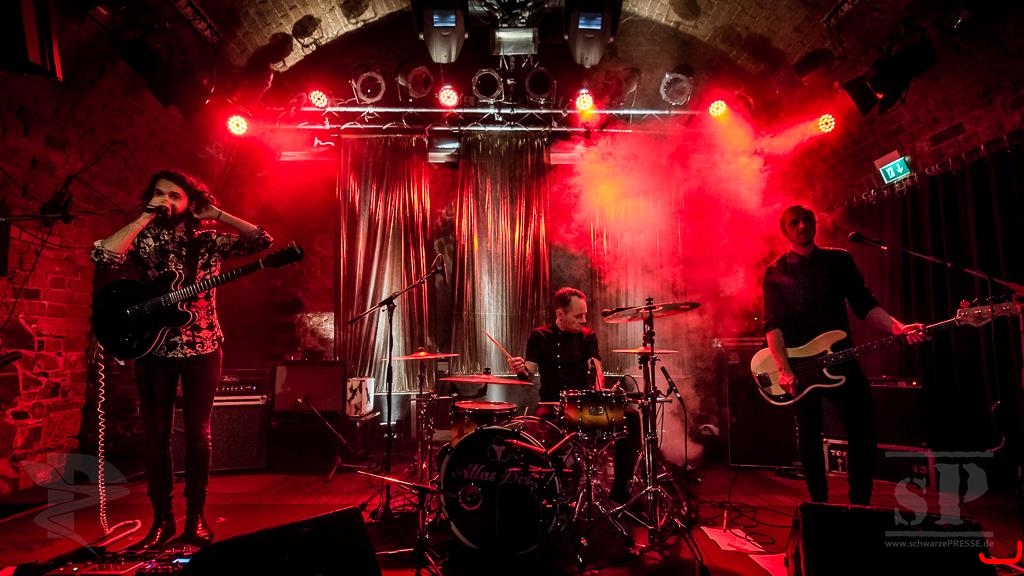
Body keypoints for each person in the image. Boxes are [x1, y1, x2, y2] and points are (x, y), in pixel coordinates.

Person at [91, 170, 273, 549]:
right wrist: (144, 216)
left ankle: (196, 518)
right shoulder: (144, 238)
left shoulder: (208, 239)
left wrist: (216, 214)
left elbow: (261, 240)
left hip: (204, 344)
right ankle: (162, 521)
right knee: (155, 434)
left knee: (198, 433)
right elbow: (104, 255)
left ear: (191, 202)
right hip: (154, 346)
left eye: (175, 196)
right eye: (160, 193)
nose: (167, 201)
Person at [761, 205, 924, 505]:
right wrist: (784, 368)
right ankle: (818, 504)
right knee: (809, 434)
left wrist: (898, 327)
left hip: (841, 358)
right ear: (785, 231)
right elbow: (773, 325)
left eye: (807, 220)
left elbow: (864, 303)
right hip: (801, 366)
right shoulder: (776, 271)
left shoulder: (839, 260)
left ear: (815, 225)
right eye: (794, 223)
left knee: (863, 427)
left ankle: (859, 501)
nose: (802, 226)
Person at [507, 287, 641, 504]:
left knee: (631, 417)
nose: (584, 320)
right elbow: (528, 372)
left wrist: (599, 392)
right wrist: (519, 368)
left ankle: (621, 489)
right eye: (578, 316)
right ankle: (540, 494)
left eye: (585, 315)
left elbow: (596, 369)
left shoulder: (588, 336)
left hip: (582, 407)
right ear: (560, 314)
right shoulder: (539, 335)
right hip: (550, 405)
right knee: (529, 438)